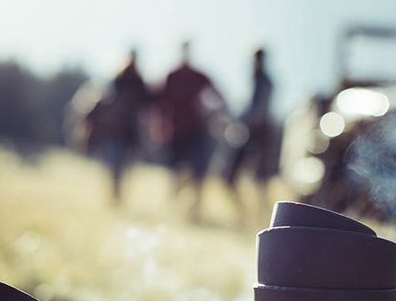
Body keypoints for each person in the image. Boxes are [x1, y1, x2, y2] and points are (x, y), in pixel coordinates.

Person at [158, 41, 226, 219]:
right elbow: (160, 104)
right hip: (175, 134)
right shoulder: (171, 76)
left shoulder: (199, 76)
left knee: (197, 173)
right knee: (175, 174)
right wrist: (159, 125)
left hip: (196, 133)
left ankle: (195, 211)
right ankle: (174, 210)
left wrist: (214, 116)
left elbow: (220, 97)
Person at [85, 50, 150, 202]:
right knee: (114, 167)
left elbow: (146, 105)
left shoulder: (139, 82)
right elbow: (104, 100)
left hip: (131, 133)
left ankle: (118, 196)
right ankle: (114, 197)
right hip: (114, 131)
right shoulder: (117, 79)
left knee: (125, 167)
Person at [226, 48, 277, 197]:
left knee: (259, 177)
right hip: (252, 130)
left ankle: (260, 213)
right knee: (233, 175)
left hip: (259, 132)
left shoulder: (265, 81)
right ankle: (246, 212)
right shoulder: (256, 79)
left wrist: (240, 124)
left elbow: (259, 111)